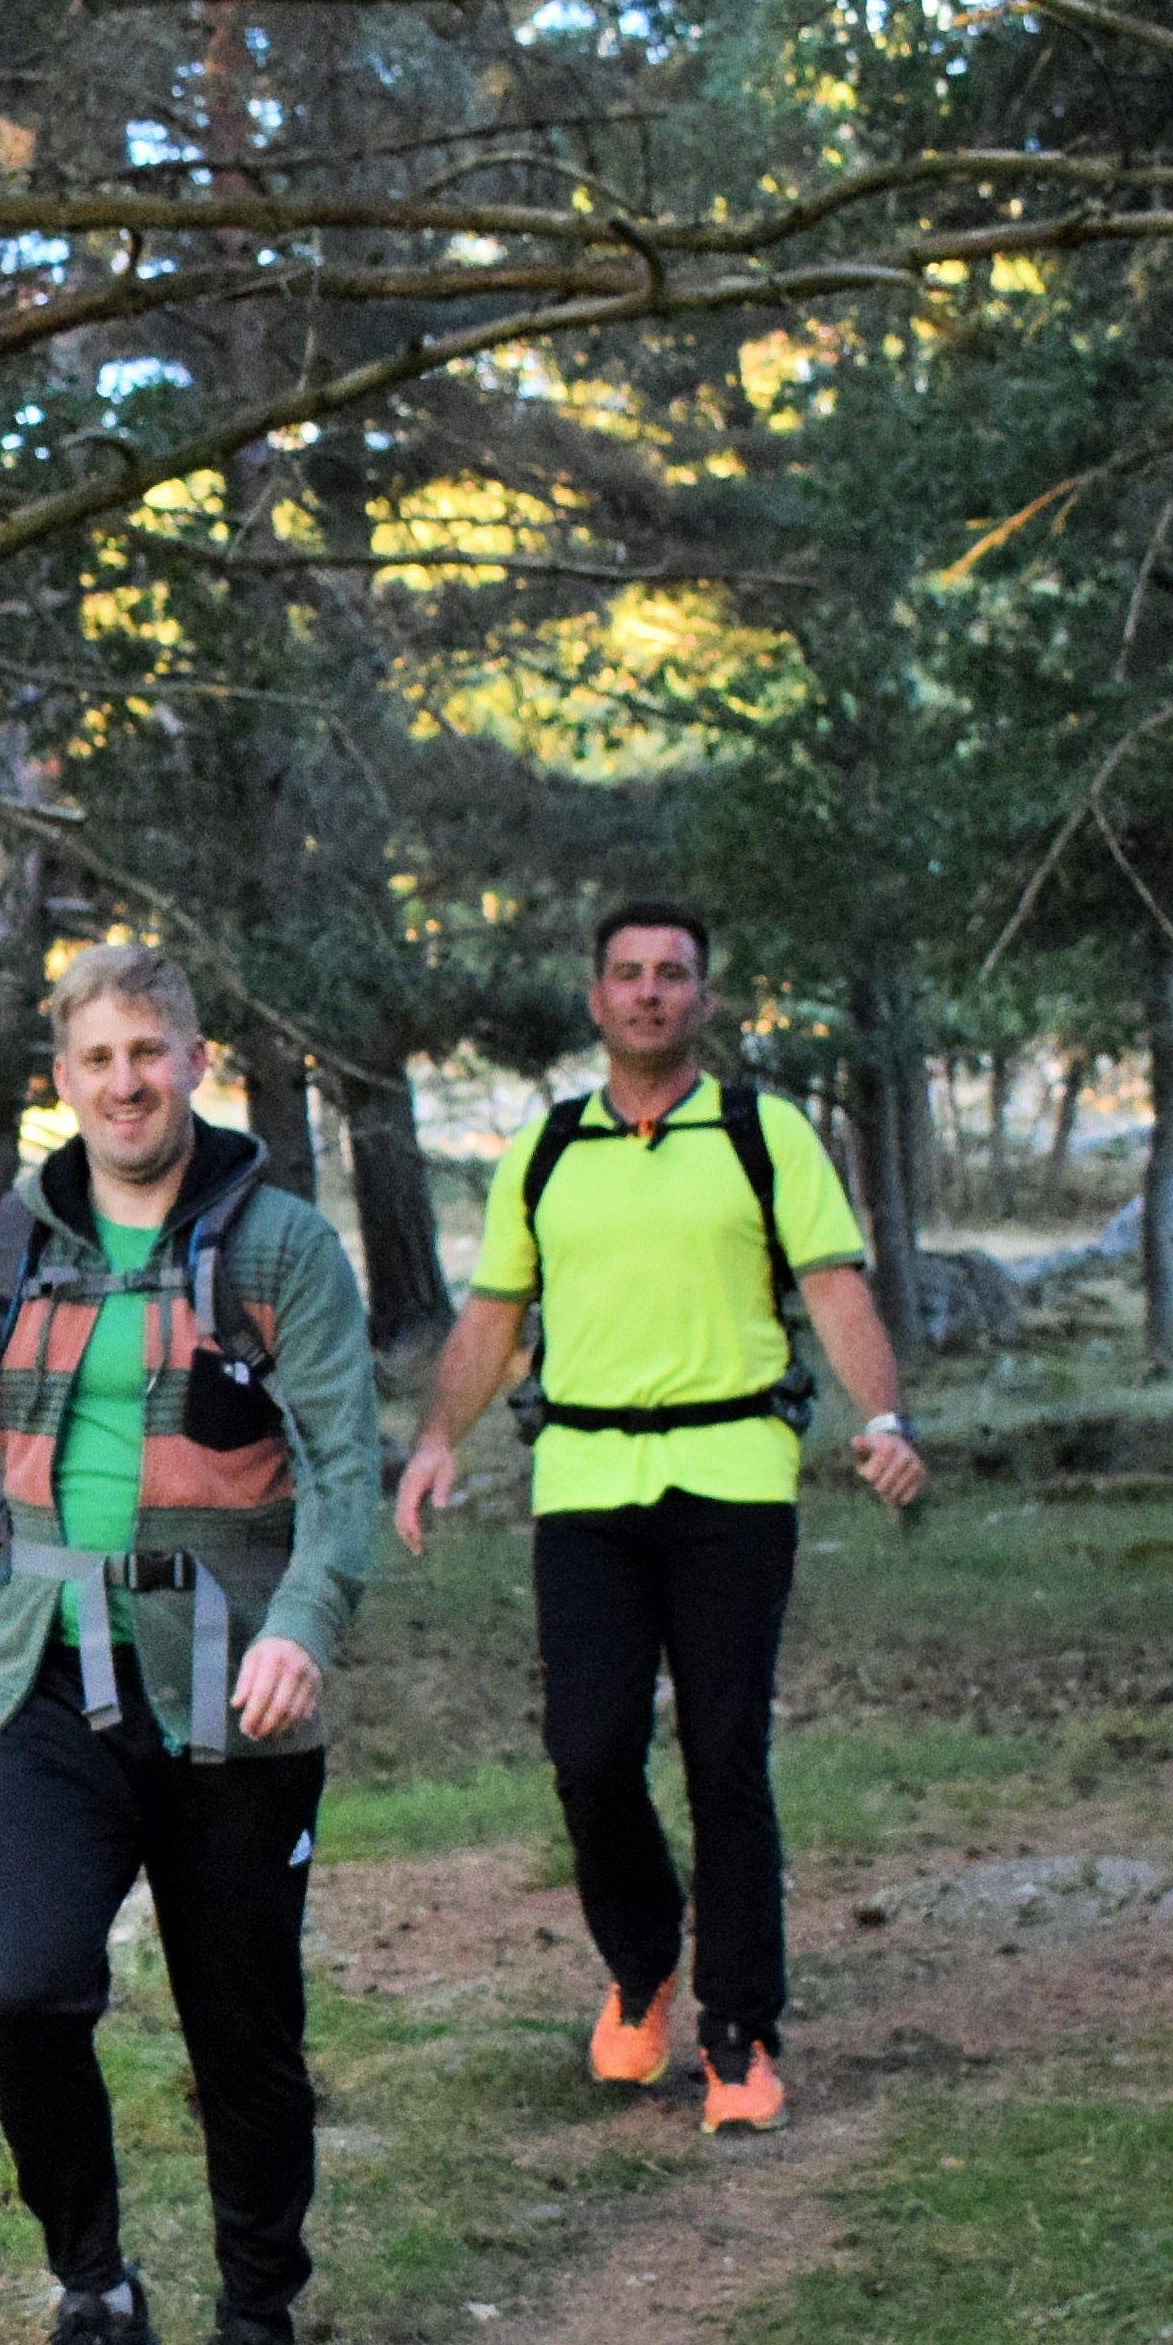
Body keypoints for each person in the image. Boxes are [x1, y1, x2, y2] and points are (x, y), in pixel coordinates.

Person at [0, 943, 382, 2345]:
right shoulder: (3, 1254)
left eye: (150, 1052)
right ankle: (95, 2294)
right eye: (97, 1060)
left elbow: (348, 1468)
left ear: (196, 1060)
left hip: (234, 1682)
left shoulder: (281, 1247)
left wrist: (307, 1618)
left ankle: (255, 2321)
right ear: (63, 1080)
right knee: (29, 1991)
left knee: (242, 2027)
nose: (126, 1083)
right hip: (42, 1673)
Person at [390, 899, 925, 2136]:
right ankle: (643, 1965)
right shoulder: (550, 1148)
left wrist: (884, 1422)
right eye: (626, 976)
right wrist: (433, 1441)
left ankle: (740, 2035)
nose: (648, 995)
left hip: (735, 1478)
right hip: (583, 1486)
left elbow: (836, 1294)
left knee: (725, 1751)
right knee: (587, 1752)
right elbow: (491, 1318)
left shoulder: (761, 1132)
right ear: (595, 999)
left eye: (673, 975)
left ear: (704, 998)